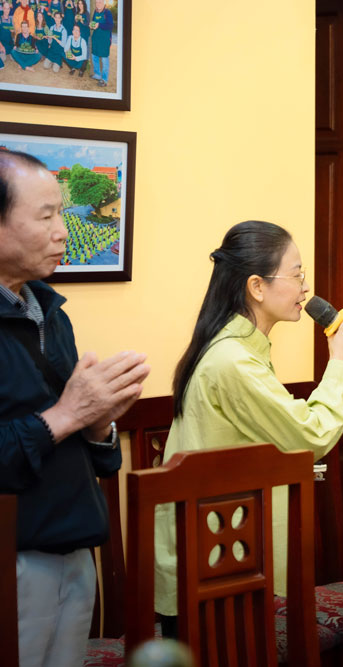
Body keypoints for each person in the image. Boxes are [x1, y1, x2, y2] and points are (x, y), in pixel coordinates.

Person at [153, 220, 343, 634]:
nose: (306, 288)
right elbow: (311, 435)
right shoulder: (232, 360)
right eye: (297, 274)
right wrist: (340, 363)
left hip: (229, 553)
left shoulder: (239, 349)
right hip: (215, 561)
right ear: (256, 286)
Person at [0, 150, 150, 667]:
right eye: (46, 216)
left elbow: (98, 456)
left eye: (63, 213)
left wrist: (101, 420)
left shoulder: (49, 310)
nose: (63, 230)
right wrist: (66, 415)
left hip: (75, 543)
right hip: (12, 559)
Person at [87, 0, 110, 85]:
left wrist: (99, 25)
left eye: (100, 2)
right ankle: (97, 74)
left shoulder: (107, 12)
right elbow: (93, 22)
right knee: (94, 57)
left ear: (103, 3)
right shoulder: (95, 12)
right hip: (96, 39)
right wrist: (91, 25)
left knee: (104, 59)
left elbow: (110, 25)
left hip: (104, 40)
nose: (98, 4)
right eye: (97, 2)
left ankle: (104, 80)